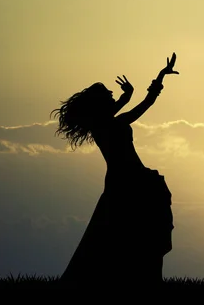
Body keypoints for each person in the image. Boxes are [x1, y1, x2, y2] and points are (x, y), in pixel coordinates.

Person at [52, 52, 179, 288]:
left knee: (133, 234)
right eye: (109, 96)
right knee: (139, 235)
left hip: (129, 182)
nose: (114, 98)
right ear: (101, 105)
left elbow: (121, 108)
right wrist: (154, 81)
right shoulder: (111, 124)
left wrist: (137, 90)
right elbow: (145, 104)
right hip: (130, 184)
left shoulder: (105, 124)